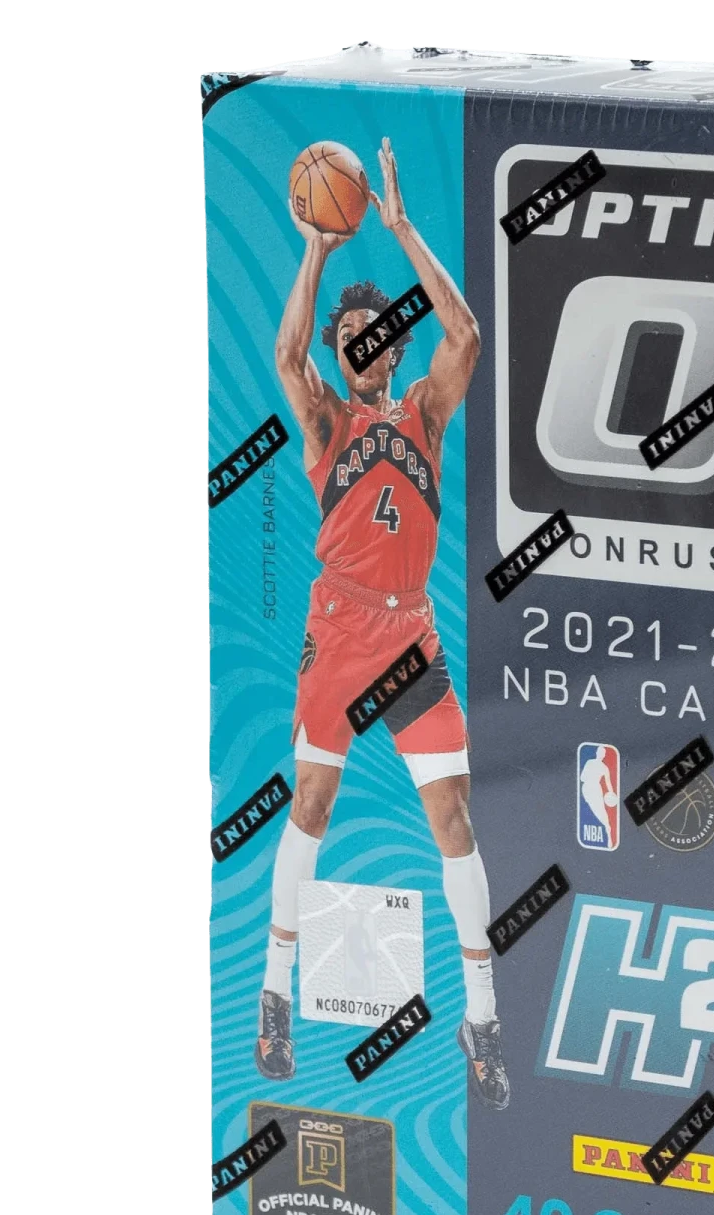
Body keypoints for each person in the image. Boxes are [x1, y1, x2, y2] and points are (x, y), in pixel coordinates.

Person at [257, 137, 509, 1111]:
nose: (365, 346)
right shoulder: (327, 421)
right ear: (342, 353)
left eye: (377, 335)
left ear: (394, 349)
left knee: (454, 817)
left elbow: (468, 336)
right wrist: (317, 249)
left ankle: (481, 1016)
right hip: (339, 627)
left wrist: (399, 228)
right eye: (350, 337)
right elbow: (285, 353)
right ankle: (276, 995)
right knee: (311, 807)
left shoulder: (423, 419)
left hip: (408, 636)